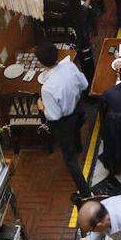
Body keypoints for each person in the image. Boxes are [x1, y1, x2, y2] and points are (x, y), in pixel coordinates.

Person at [35, 41, 92, 197]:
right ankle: (79, 147)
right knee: (76, 130)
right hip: (78, 110)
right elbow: (85, 84)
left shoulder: (47, 88)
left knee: (70, 160)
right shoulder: (70, 66)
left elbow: (54, 115)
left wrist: (41, 107)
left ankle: (85, 193)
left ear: (40, 62)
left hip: (64, 123)